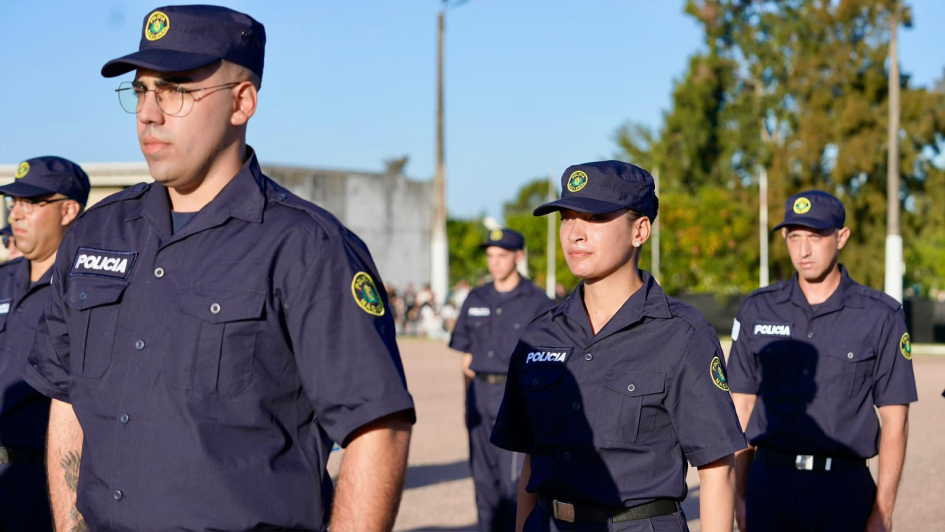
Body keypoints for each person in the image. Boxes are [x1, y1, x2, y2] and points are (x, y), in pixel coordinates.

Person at [23, 6, 415, 532]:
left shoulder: (305, 246)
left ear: (242, 102)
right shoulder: (98, 234)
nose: (149, 113)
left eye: (177, 90)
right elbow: (68, 396)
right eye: (141, 91)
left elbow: (377, 428)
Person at [491, 161, 746, 532]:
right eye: (566, 218)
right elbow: (532, 461)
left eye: (594, 218)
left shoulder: (682, 334)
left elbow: (716, 470)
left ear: (640, 230)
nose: (574, 234)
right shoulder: (540, 335)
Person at [727, 190, 917, 532]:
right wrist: (738, 495)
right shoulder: (757, 308)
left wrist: (883, 511)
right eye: (794, 236)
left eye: (816, 236)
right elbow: (740, 406)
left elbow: (895, 420)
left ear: (841, 237)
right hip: (768, 487)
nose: (803, 250)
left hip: (843, 492)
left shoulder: (881, 316)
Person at [0, 157, 89, 532]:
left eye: (32, 203)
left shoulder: (84, 292)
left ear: (68, 210)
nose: (17, 215)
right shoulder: (4, 279)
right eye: (13, 204)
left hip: (37, 486)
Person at [449, 228, 554, 531]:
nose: (494, 262)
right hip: (479, 394)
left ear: (518, 257)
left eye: (502, 255)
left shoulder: (538, 302)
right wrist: (467, 404)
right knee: (484, 482)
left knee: (513, 485)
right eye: (490, 255)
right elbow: (467, 360)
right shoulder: (476, 297)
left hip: (516, 397)